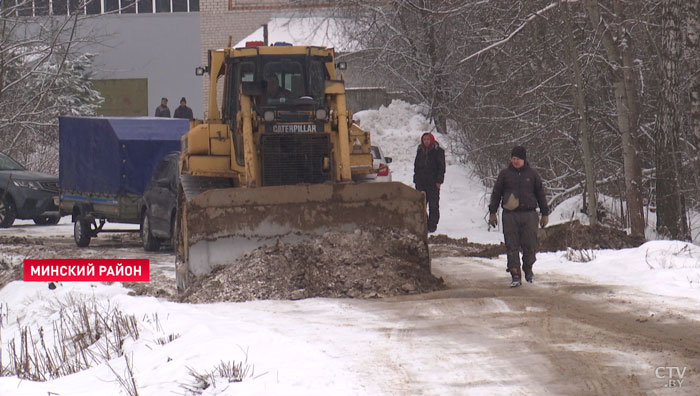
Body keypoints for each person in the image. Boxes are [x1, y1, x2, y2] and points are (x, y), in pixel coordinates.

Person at [488, 146, 549, 287]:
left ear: (524, 159)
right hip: (510, 215)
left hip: (529, 214)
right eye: (513, 158)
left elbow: (540, 194)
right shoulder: (505, 174)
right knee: (512, 245)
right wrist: (493, 212)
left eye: (518, 159)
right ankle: (515, 274)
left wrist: (544, 213)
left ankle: (528, 268)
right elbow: (496, 193)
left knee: (530, 245)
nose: (515, 161)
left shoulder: (532, 174)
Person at [413, 132, 446, 233]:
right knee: (420, 205)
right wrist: (416, 179)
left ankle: (432, 226)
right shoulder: (420, 150)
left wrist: (439, 181)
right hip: (421, 182)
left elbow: (441, 167)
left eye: (428, 139)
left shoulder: (438, 151)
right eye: (424, 139)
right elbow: (416, 166)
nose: (426, 141)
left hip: (433, 183)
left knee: (433, 205)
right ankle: (423, 223)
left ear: (431, 139)